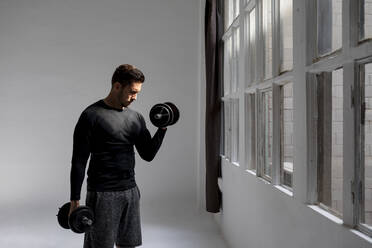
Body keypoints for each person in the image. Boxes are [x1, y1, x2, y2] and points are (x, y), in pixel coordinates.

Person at [69, 64, 167, 248]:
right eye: (132, 91)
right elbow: (79, 161)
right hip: (102, 194)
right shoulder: (91, 115)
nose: (135, 97)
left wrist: (162, 127)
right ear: (117, 86)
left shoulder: (136, 118)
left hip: (130, 191)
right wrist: (75, 200)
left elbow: (148, 154)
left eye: (138, 92)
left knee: (128, 245)